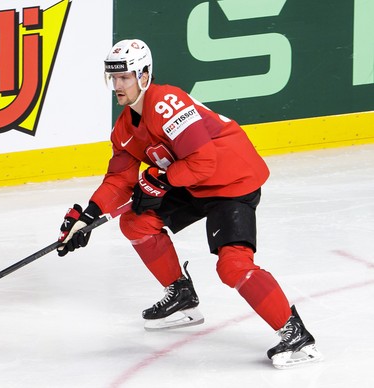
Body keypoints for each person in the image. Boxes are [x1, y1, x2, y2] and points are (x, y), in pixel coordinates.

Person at [56, 38, 323, 369]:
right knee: (136, 221)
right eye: (114, 78)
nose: (118, 85)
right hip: (192, 182)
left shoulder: (166, 102)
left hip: (231, 180)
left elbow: (204, 162)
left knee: (233, 266)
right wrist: (88, 217)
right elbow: (119, 180)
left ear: (144, 75)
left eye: (125, 77)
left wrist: (159, 180)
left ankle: (294, 332)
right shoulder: (125, 128)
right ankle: (181, 296)